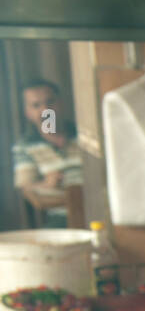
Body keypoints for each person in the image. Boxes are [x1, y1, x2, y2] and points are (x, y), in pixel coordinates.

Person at [11, 78, 82, 225]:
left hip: (100, 211)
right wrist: (46, 183)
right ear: (28, 113)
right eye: (36, 105)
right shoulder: (24, 147)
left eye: (50, 102)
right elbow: (26, 188)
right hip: (61, 217)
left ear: (60, 103)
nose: (46, 110)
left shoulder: (86, 136)